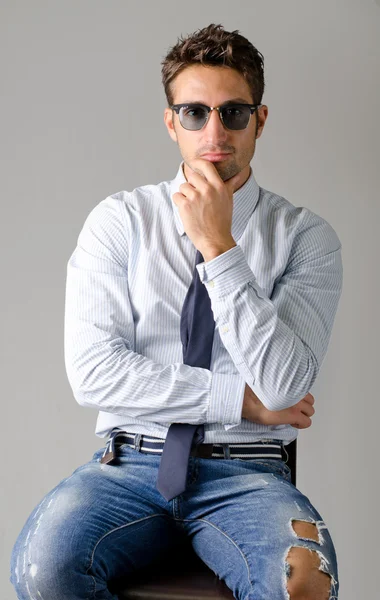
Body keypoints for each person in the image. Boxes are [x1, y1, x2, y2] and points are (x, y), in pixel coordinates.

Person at [10, 23, 342, 600]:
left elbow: (285, 388)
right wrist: (238, 399)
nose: (215, 132)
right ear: (171, 122)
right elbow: (94, 373)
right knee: (44, 570)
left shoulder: (306, 237)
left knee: (303, 584)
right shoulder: (119, 222)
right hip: (130, 466)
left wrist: (219, 248)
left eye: (233, 113)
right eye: (194, 113)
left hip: (250, 475)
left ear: (260, 120)